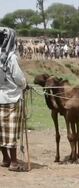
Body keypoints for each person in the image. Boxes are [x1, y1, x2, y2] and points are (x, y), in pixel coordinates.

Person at [0, 27, 27, 172]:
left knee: (0, 130)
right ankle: (14, 162)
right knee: (10, 131)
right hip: (11, 98)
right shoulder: (11, 57)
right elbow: (18, 78)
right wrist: (25, 84)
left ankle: (5, 159)